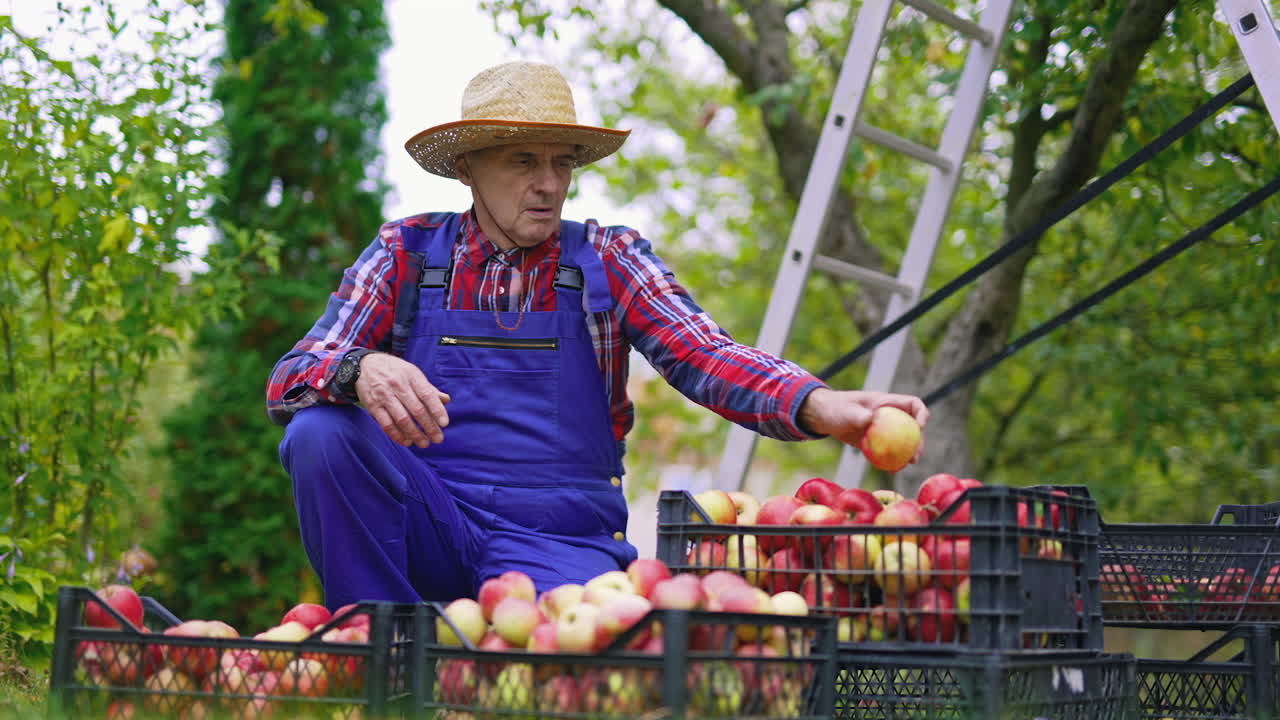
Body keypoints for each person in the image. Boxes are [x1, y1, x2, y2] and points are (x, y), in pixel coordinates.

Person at [266, 61, 929, 610]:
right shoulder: (405, 252)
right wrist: (357, 369)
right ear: (467, 167)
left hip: (560, 546)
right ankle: (381, 652)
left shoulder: (609, 257)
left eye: (563, 162)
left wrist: (821, 405)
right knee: (321, 433)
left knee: (578, 679)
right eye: (524, 161)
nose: (549, 184)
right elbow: (292, 377)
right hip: (431, 527)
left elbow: (704, 352)